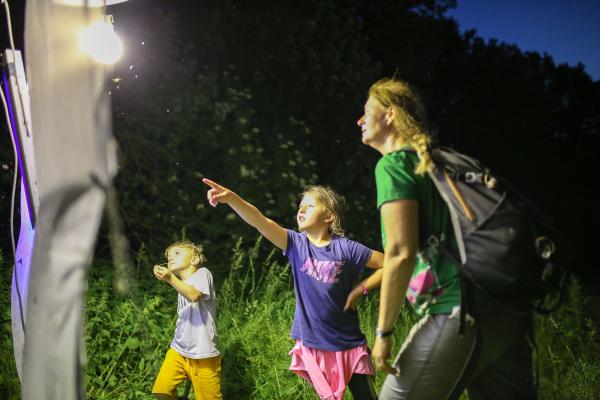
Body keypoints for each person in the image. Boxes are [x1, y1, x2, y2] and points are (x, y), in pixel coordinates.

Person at [357, 77, 537, 400]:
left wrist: (383, 332)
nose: (359, 120)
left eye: (366, 111)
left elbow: (400, 252)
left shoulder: (393, 165)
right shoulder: (436, 165)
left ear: (389, 115)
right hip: (505, 311)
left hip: (457, 309)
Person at [202, 178, 384, 400]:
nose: (301, 210)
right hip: (312, 342)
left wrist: (363, 287)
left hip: (349, 344)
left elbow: (392, 262)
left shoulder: (347, 248)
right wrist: (232, 199)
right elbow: (260, 221)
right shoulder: (296, 244)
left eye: (309, 206)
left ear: (328, 216)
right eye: (300, 207)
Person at [152, 241, 223, 400]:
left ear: (195, 260)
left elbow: (194, 295)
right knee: (161, 391)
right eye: (168, 256)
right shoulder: (180, 286)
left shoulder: (203, 273)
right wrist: (172, 279)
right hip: (179, 349)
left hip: (204, 354)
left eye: (177, 253)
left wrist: (170, 277)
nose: (170, 257)